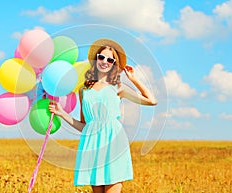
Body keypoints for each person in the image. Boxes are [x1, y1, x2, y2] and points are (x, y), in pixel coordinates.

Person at [49, 39, 157, 193]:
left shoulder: (119, 87)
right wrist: (61, 113)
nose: (105, 61)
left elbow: (152, 101)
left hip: (114, 143)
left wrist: (134, 79)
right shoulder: (83, 91)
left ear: (114, 64)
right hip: (92, 144)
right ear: (96, 59)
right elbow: (84, 126)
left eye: (110, 59)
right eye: (101, 57)